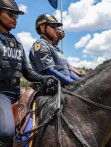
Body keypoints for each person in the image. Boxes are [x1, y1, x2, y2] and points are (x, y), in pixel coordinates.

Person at [0, 0, 58, 146]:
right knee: (6, 132)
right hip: (1, 93)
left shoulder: (17, 42)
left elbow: (27, 71)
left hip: (17, 91)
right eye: (10, 13)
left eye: (16, 15)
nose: (14, 17)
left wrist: (44, 79)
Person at [29, 13, 82, 86]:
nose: (56, 29)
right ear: (42, 28)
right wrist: (73, 84)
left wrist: (81, 82)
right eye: (53, 26)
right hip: (51, 90)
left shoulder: (56, 49)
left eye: (57, 27)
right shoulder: (41, 45)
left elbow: (67, 71)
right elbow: (49, 71)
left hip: (66, 88)